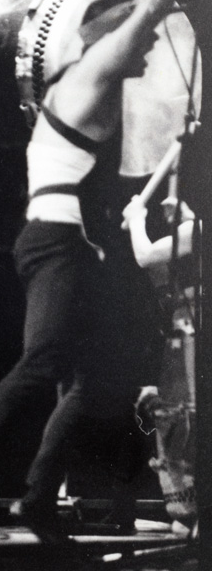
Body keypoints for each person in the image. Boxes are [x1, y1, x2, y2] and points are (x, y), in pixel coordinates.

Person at [0, 0, 202, 541]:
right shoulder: (93, 76)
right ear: (112, 43)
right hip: (53, 244)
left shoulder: (74, 67)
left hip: (71, 246)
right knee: (42, 363)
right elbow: (140, 13)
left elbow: (107, 8)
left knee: (105, 376)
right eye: (137, 45)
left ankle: (37, 500)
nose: (145, 53)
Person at [123, 188, 198, 528]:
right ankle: (187, 516)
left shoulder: (201, 229)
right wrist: (185, 217)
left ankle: (190, 516)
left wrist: (137, 219)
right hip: (185, 334)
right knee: (179, 422)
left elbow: (146, 255)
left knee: (181, 423)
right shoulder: (199, 227)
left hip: (192, 338)